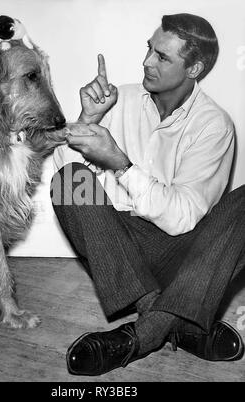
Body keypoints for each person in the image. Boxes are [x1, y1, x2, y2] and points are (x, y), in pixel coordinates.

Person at [51, 13, 245, 376]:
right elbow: (65, 174)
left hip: (183, 253)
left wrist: (122, 165)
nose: (146, 62)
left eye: (162, 57)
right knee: (68, 182)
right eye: (149, 50)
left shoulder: (213, 124)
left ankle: (143, 334)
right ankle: (179, 321)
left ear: (195, 68)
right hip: (116, 247)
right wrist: (89, 119)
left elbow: (182, 219)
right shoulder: (117, 99)